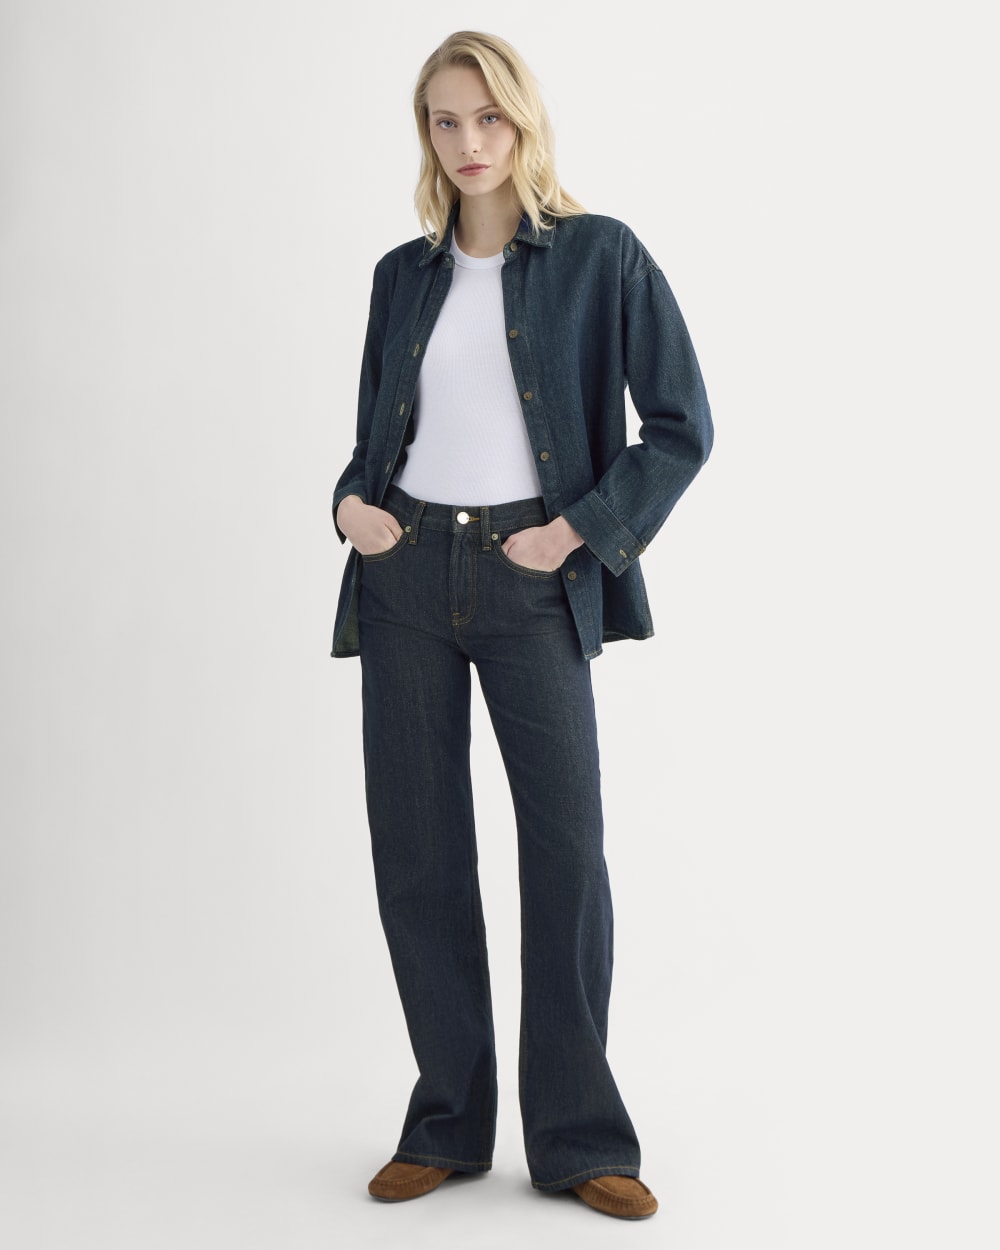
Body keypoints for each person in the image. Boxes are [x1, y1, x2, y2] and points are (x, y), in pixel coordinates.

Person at [331, 31, 712, 1221]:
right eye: (445, 121)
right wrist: (347, 504)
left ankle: (579, 1137)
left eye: (487, 116)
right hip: (402, 574)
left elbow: (681, 425)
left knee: (564, 853)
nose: (469, 142)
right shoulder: (402, 275)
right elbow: (373, 434)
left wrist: (578, 532)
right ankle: (446, 1121)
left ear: (523, 120)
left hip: (531, 575)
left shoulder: (601, 255)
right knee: (419, 850)